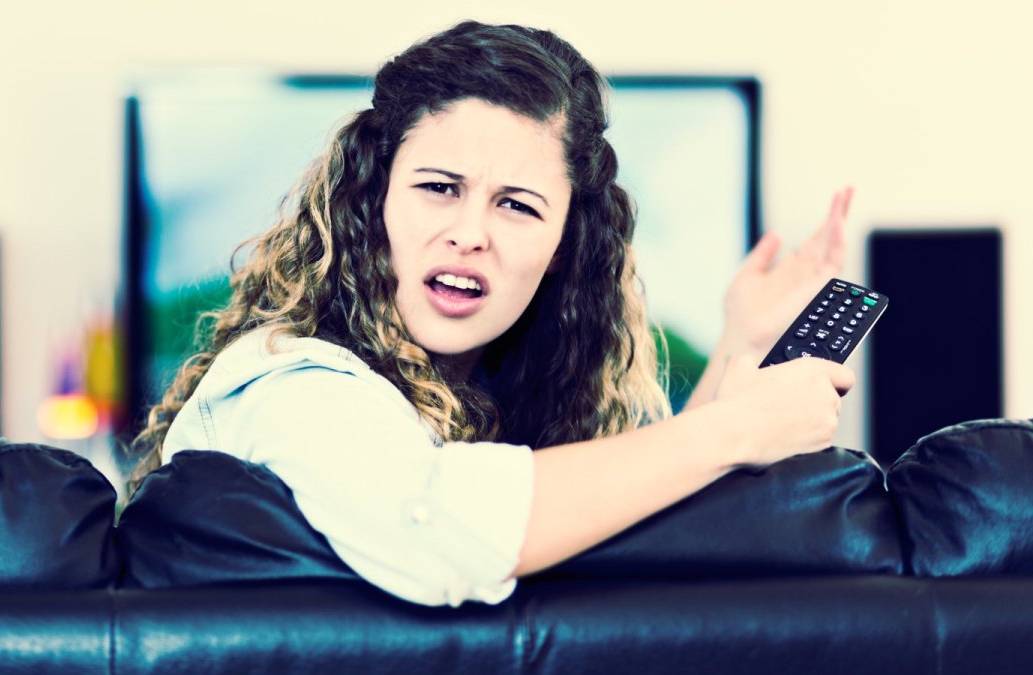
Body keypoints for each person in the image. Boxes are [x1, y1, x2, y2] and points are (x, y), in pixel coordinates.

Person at [128, 20, 856, 607]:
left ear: (563, 249)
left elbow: (628, 535)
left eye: (517, 204)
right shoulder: (285, 380)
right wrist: (734, 425)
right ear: (372, 202)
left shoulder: (504, 404)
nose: (471, 231)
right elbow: (439, 529)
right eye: (440, 187)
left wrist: (743, 339)